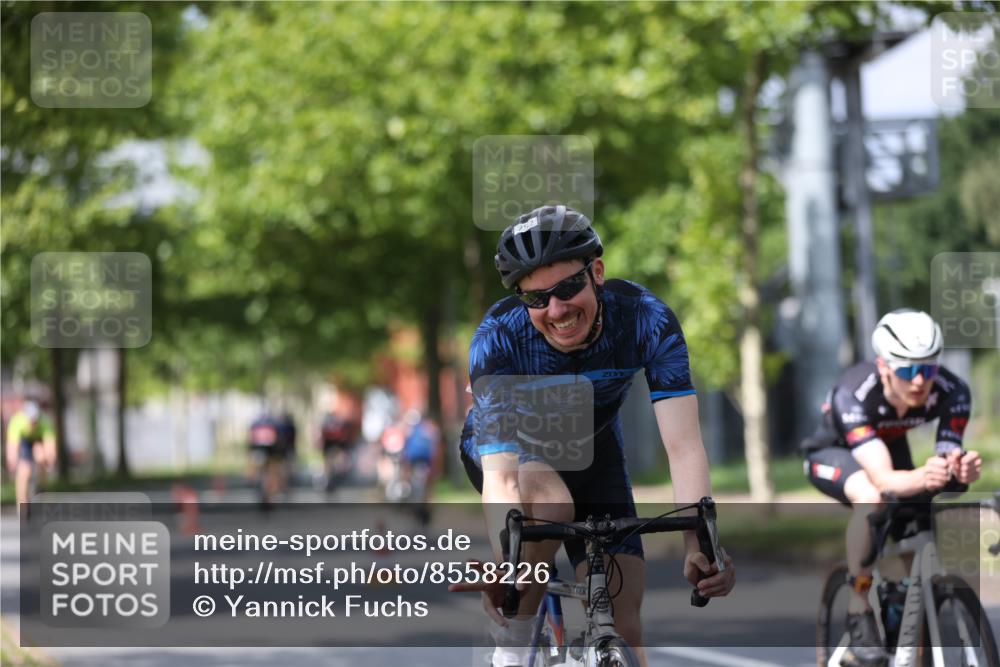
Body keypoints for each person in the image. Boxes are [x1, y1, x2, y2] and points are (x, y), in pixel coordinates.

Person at [452, 205, 735, 667]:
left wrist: (699, 544)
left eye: (567, 288)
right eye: (537, 299)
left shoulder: (646, 319)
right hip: (511, 452)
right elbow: (501, 481)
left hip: (594, 448)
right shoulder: (498, 337)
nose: (557, 310)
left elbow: (683, 447)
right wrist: (509, 566)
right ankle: (513, 642)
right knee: (551, 504)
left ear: (596, 272)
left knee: (625, 628)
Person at [802, 309, 982, 667]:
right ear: (884, 366)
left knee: (915, 527)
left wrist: (961, 469)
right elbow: (883, 479)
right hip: (835, 452)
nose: (919, 381)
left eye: (928, 369)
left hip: (888, 445)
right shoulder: (853, 395)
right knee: (871, 497)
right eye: (907, 370)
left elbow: (947, 458)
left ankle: (899, 607)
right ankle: (858, 607)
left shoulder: (953, 391)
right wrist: (922, 478)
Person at [5, 399, 57, 508]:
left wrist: (49, 462)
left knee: (41, 457)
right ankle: (22, 504)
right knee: (23, 469)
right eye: (31, 420)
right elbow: (12, 447)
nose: (33, 423)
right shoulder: (17, 422)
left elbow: (50, 446)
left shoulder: (45, 422)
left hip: (39, 439)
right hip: (25, 440)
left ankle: (41, 489)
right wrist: (12, 461)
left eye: (35, 420)